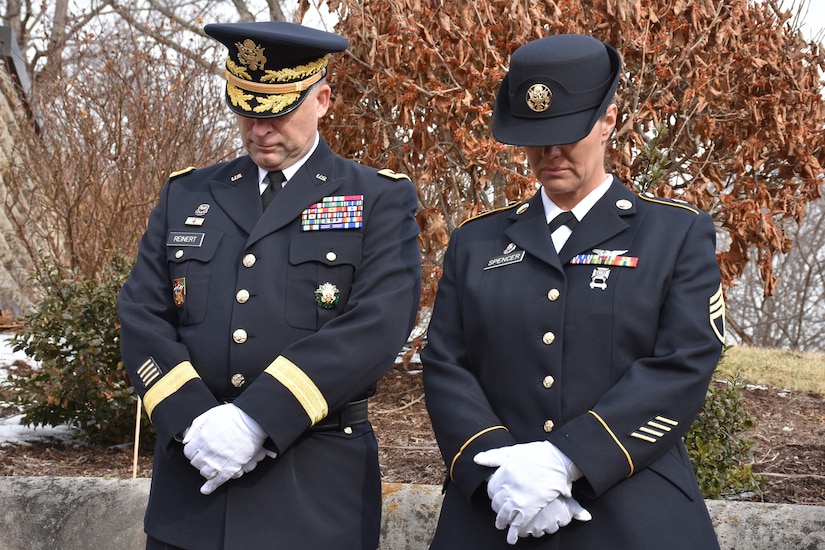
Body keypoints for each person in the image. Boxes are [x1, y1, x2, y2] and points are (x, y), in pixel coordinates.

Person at [118, 21, 421, 550]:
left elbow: (377, 326)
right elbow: (142, 314)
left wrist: (258, 419)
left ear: (322, 99)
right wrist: (193, 423)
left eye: (277, 111)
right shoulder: (188, 194)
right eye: (246, 110)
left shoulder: (375, 198)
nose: (259, 129)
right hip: (195, 484)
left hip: (314, 493)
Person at [421, 33, 725, 549]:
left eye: (568, 132)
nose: (552, 151)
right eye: (536, 135)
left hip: (633, 514)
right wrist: (498, 470)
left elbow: (685, 361)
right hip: (495, 513)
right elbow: (446, 365)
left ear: (608, 120)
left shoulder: (673, 234)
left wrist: (568, 457)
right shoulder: (477, 242)